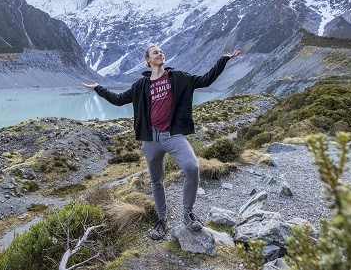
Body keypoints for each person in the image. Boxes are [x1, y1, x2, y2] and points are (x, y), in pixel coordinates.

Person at [82, 45, 240, 240]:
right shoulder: (141, 85)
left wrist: (223, 60)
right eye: (155, 52)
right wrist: (99, 88)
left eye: (162, 51)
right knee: (156, 181)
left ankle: (188, 214)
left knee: (191, 168)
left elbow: (206, 80)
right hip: (150, 139)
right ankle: (161, 220)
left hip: (173, 136)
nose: (160, 53)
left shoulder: (178, 77)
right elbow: (119, 100)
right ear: (148, 60)